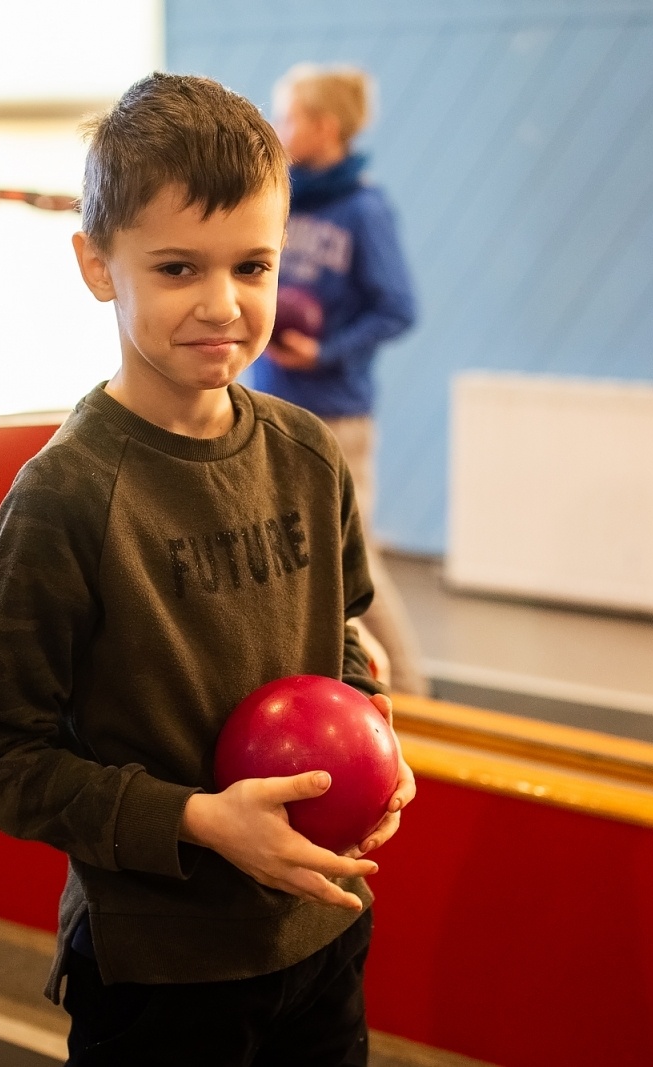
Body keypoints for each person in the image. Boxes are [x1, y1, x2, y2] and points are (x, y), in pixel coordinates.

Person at [0, 74, 417, 1065]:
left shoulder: (307, 450)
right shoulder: (65, 497)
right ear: (95, 264)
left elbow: (343, 643)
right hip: (161, 975)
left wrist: (373, 738)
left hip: (322, 932)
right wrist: (197, 819)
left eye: (252, 265)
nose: (222, 304)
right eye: (175, 268)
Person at [247, 63, 427, 696]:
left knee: (355, 560)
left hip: (335, 415)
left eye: (288, 114)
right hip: (270, 404)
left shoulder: (365, 209)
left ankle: (409, 692)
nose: (277, 125)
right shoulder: (277, 198)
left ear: (324, 127)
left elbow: (398, 309)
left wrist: (324, 351)